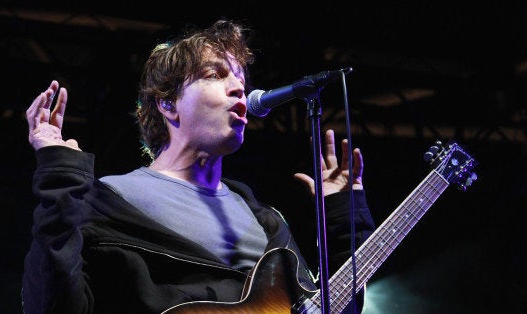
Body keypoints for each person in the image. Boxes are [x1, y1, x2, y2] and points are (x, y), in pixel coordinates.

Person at [22, 19, 375, 314]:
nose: (239, 87)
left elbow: (334, 307)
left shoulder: (264, 221)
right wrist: (60, 174)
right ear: (168, 104)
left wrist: (343, 216)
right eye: (215, 74)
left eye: (240, 79)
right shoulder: (107, 201)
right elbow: (55, 306)